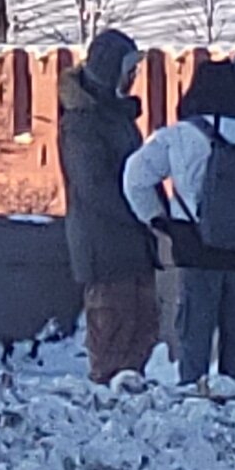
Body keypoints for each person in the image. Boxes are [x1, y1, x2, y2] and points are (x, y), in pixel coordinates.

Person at [122, 52, 235, 383]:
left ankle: (192, 408)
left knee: (194, 344)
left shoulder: (180, 135)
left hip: (196, 253)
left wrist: (160, 221)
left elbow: (135, 177)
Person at [56, 29, 160, 383]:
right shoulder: (82, 122)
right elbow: (94, 186)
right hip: (105, 247)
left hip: (132, 246)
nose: (133, 80)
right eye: (129, 71)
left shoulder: (115, 116)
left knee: (142, 331)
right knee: (113, 337)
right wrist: (144, 211)